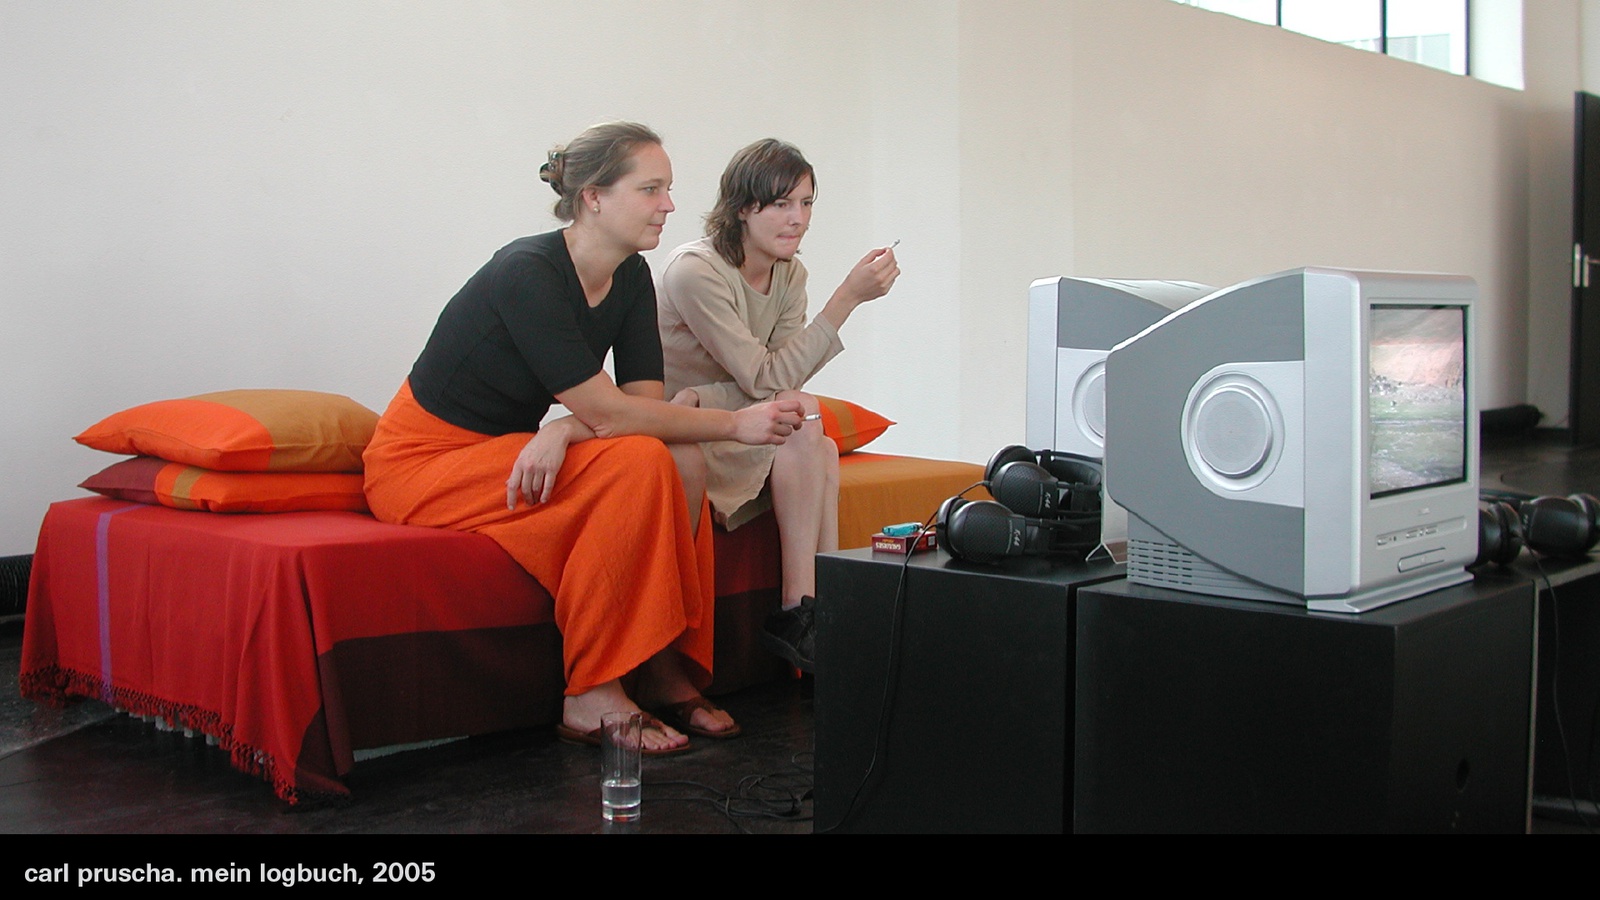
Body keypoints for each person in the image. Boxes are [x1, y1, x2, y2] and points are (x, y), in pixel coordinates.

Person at [363, 123, 805, 753]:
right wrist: (737, 424)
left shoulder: (630, 276)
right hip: (423, 461)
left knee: (679, 457)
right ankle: (591, 691)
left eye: (668, 189)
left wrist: (567, 430)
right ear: (594, 197)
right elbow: (613, 412)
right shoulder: (527, 273)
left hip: (506, 449)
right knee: (635, 463)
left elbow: (638, 404)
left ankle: (661, 665)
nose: (669, 205)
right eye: (651, 189)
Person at [656, 138, 900, 672]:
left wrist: (711, 393)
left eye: (807, 203)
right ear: (744, 207)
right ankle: (802, 610)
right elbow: (765, 376)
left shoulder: (790, 275)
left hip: (750, 425)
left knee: (815, 434)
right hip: (695, 430)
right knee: (804, 415)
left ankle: (811, 612)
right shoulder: (695, 271)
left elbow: (781, 375)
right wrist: (848, 298)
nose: (799, 219)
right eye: (782, 204)